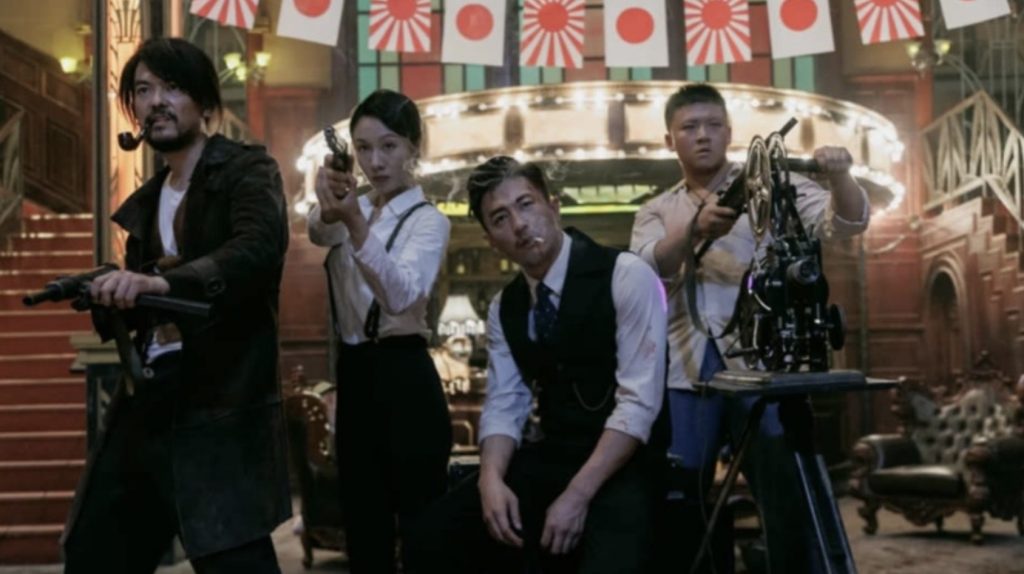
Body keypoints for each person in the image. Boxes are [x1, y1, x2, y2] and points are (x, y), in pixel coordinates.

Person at [60, 38, 291, 573]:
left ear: (205, 102)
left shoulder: (247, 169)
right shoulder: (149, 199)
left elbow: (257, 249)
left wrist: (161, 284)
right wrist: (109, 289)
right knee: (95, 551)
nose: (156, 102)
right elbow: (145, 303)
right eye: (143, 91)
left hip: (221, 396)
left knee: (235, 558)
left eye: (172, 88)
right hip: (150, 394)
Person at [630, 83, 870, 573]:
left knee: (784, 492)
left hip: (765, 363)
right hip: (687, 369)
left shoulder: (773, 185)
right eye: (690, 127)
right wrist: (694, 229)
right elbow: (644, 269)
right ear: (669, 140)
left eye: (713, 125)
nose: (703, 135)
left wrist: (841, 175)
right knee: (683, 494)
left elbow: (845, 222)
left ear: (729, 131)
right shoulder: (656, 210)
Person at [410, 156, 669, 573]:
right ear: (491, 239)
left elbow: (638, 406)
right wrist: (490, 480)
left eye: (526, 204)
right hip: (555, 454)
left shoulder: (627, 275)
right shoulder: (504, 307)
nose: (519, 224)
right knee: (432, 536)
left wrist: (576, 497)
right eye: (500, 218)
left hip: (624, 463)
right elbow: (504, 404)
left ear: (554, 206)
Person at [306, 88, 453, 573]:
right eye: (364, 148)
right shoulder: (358, 206)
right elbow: (318, 230)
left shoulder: (428, 221)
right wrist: (333, 203)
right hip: (354, 375)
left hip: (405, 374)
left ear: (414, 147)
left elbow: (401, 294)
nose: (375, 161)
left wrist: (353, 220)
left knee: (422, 530)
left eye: (389, 146)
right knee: (363, 526)